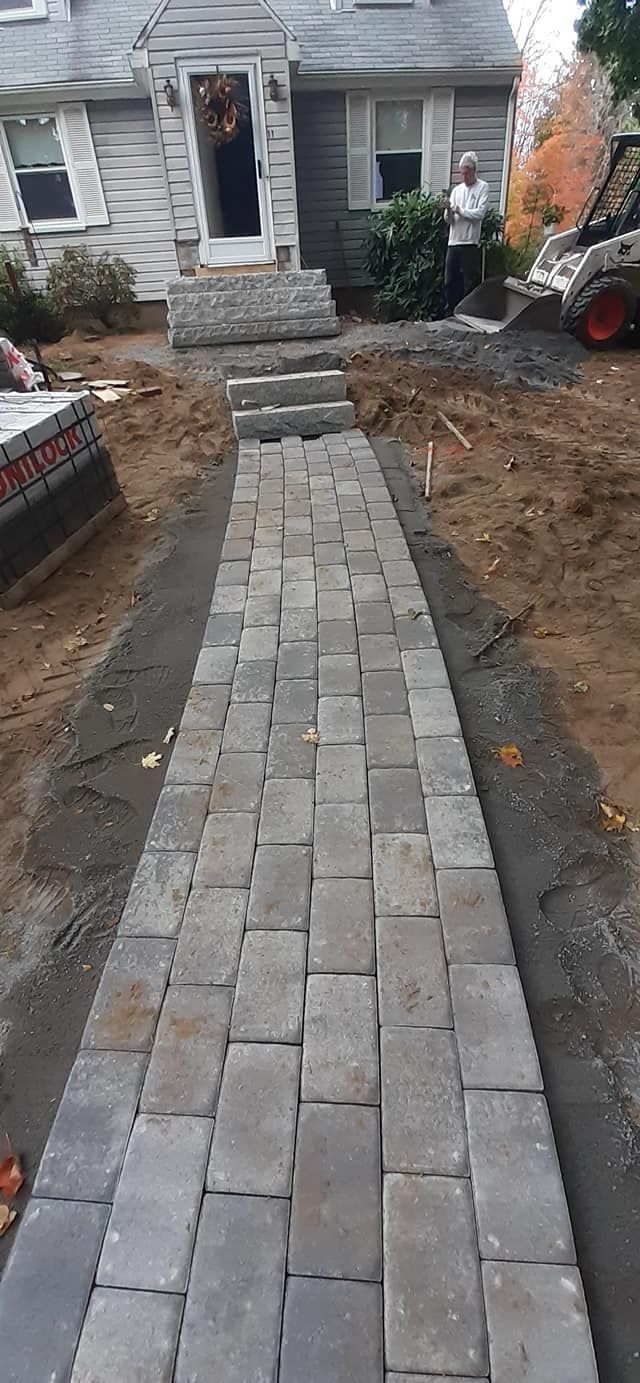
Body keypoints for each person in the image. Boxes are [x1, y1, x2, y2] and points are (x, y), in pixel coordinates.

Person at [443, 151, 489, 316]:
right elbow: (449, 221)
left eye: (466, 173)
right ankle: (450, 314)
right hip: (453, 241)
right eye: (461, 173)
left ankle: (469, 314)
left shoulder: (482, 187)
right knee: (449, 281)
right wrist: (448, 210)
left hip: (469, 241)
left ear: (473, 171)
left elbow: (479, 215)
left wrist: (460, 210)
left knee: (469, 281)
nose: (463, 177)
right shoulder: (456, 191)